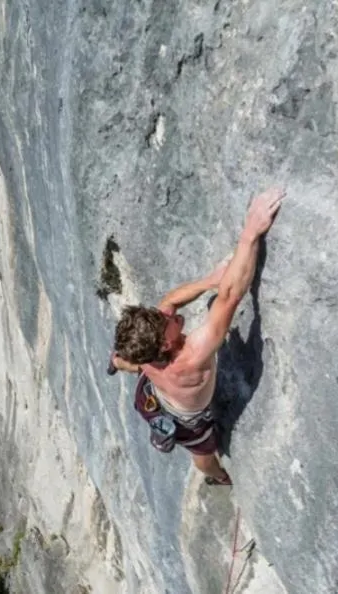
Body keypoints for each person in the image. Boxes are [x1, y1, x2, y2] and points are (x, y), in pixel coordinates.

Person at [109, 186, 284, 485]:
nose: (170, 314)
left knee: (130, 363)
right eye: (168, 322)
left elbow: (170, 301)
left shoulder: (147, 351)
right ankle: (217, 478)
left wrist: (208, 282)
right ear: (166, 344)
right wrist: (250, 234)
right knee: (203, 456)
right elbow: (230, 296)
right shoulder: (193, 355)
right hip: (188, 420)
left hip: (149, 394)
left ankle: (116, 362)